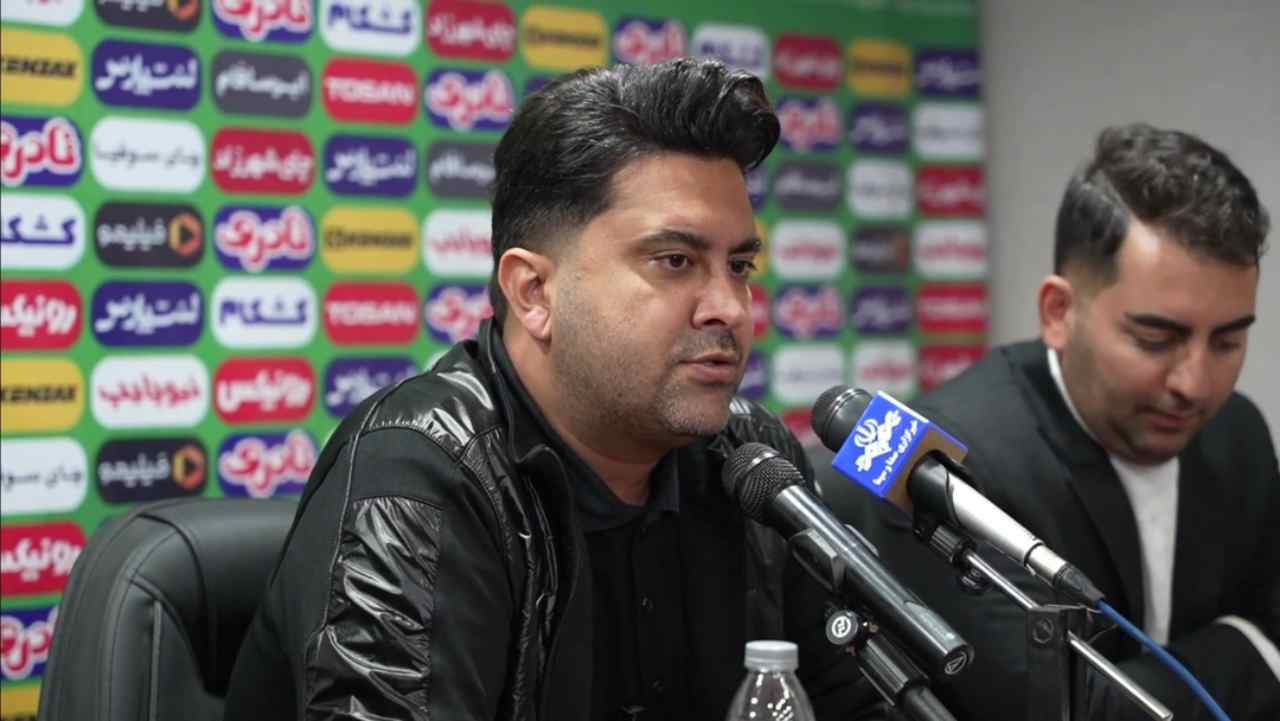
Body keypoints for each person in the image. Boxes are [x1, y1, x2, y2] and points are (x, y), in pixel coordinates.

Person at [224, 59, 884, 721]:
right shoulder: (420, 477)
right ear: (534, 293)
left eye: (738, 266)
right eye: (676, 261)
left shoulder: (752, 464)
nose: (730, 308)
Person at [823, 122, 1279, 720]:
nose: (1193, 384)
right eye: (1156, 339)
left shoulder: (1237, 433)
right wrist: (1250, 645)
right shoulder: (937, 467)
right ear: (1059, 312)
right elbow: (1064, 711)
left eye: (1226, 342)